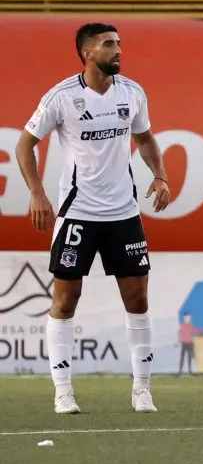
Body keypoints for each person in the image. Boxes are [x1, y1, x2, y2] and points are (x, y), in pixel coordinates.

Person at [15, 23, 171, 415]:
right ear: (87, 53)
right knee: (66, 301)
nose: (118, 50)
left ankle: (142, 390)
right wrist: (36, 191)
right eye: (108, 44)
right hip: (78, 214)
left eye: (119, 43)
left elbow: (146, 138)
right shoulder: (61, 97)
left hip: (124, 214)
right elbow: (24, 144)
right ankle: (63, 391)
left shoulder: (132, 93)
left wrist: (161, 174)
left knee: (137, 299)